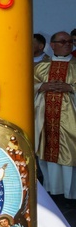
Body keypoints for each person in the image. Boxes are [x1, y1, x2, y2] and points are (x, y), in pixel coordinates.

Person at [34, 31, 76, 201]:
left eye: (70, 42)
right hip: (46, 118)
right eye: (63, 41)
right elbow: (25, 86)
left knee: (70, 154)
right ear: (52, 45)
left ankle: (70, 194)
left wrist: (71, 88)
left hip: (70, 119)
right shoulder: (41, 67)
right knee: (47, 153)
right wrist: (41, 86)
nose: (68, 44)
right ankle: (53, 191)